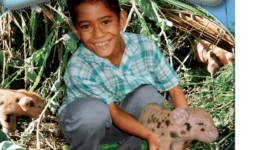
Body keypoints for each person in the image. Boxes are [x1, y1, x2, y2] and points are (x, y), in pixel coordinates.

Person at [57, 0, 190, 149]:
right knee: (94, 112)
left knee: (149, 96)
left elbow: (174, 89)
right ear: (76, 31)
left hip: (125, 121)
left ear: (121, 20)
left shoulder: (144, 47)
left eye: (105, 22)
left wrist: (184, 127)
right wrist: (149, 135)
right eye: (86, 26)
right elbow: (114, 114)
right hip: (87, 124)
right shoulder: (79, 68)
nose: (98, 34)